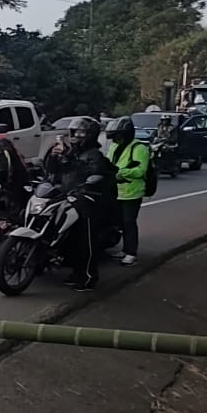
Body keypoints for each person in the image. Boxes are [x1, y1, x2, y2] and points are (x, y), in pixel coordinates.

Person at [43, 117, 117, 291]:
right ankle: (74, 271)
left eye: (81, 132)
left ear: (90, 135)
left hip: (88, 199)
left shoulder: (94, 155)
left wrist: (68, 158)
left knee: (85, 240)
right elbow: (54, 171)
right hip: (67, 196)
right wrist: (53, 157)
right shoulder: (71, 152)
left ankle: (89, 276)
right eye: (74, 132)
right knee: (69, 239)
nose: (76, 135)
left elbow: (92, 173)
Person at [105, 117, 148, 267]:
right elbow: (107, 163)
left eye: (118, 136)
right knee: (117, 222)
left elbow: (140, 170)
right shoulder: (114, 147)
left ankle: (131, 253)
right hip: (114, 191)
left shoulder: (139, 148)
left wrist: (121, 173)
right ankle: (123, 249)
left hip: (131, 192)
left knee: (128, 222)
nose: (115, 139)